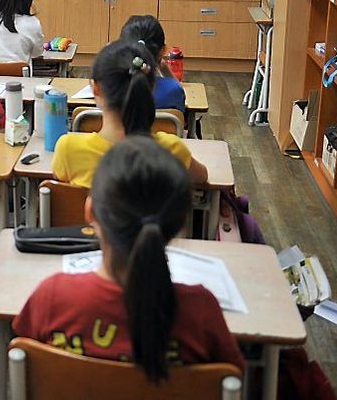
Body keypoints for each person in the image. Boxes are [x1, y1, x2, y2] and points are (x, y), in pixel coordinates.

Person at [14, 137, 244, 380]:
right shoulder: (201, 311)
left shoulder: (52, 298)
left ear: (90, 212)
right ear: (180, 220)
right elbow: (232, 382)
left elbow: (20, 370)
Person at [52, 40, 207, 188]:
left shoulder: (68, 149)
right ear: (151, 88)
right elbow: (202, 177)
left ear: (95, 88)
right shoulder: (172, 150)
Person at [120, 14, 186, 114]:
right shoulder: (173, 90)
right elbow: (179, 96)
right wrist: (164, 68)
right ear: (163, 51)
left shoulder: (108, 88)